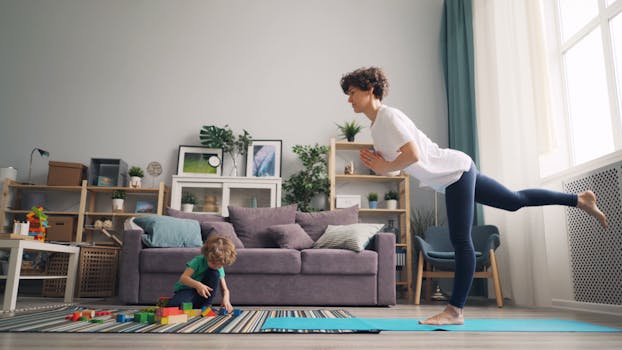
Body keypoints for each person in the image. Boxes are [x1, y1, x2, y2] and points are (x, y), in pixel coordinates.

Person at [339, 66, 609, 325]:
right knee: (514, 201)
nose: (349, 99)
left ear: (370, 89)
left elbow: (413, 154)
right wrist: (379, 168)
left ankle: (454, 310)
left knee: (461, 239)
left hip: (453, 172)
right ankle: (579, 199)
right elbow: (401, 168)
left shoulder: (388, 117)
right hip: (455, 173)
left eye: (352, 92)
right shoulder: (377, 128)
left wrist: (384, 165)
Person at [168, 235, 237, 313]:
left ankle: (206, 306)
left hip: (203, 296)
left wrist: (226, 299)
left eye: (220, 265)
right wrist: (198, 285)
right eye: (213, 263)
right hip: (188, 290)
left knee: (215, 273)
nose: (216, 266)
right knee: (173, 306)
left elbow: (225, 289)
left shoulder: (218, 267)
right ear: (207, 255)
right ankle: (192, 306)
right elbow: (183, 278)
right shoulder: (198, 260)